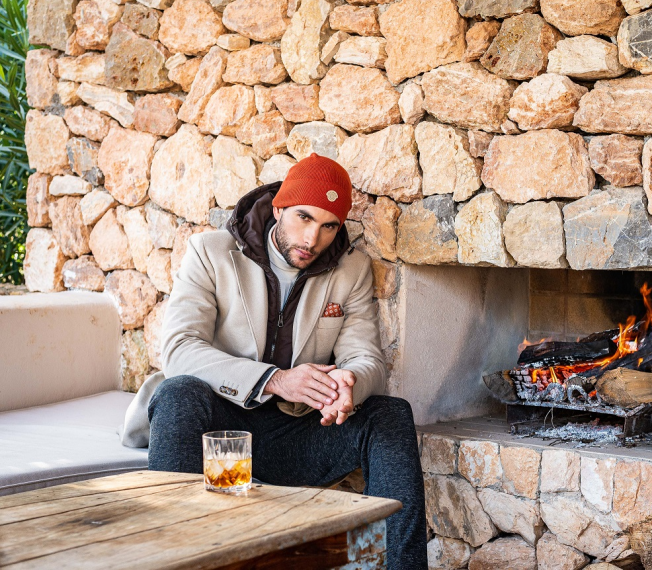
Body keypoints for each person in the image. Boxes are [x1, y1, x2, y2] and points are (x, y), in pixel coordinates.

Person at [119, 153, 427, 569]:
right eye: (304, 217)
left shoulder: (350, 270)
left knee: (390, 414)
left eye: (329, 226)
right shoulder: (211, 252)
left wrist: (348, 383)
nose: (312, 239)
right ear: (279, 208)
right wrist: (276, 379)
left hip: (297, 432)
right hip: (220, 432)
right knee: (179, 393)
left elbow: (365, 357)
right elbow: (179, 348)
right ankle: (171, 560)